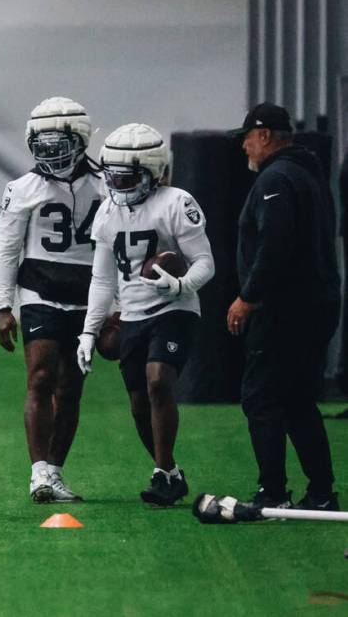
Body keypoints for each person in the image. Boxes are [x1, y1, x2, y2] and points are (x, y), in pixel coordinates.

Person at [76, 123, 215, 506]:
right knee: (138, 398)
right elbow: (102, 280)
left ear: (153, 173)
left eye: (127, 177)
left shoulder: (175, 202)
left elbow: (205, 263)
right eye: (113, 177)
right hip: (131, 313)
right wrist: (89, 332)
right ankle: (168, 473)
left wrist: (180, 285)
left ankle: (162, 469)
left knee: (157, 380)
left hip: (174, 308)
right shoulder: (107, 212)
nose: (118, 185)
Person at [227, 102, 340, 510]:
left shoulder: (277, 179)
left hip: (285, 309)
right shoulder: (308, 173)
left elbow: (275, 246)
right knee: (296, 399)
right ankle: (322, 492)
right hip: (317, 303)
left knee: (261, 397)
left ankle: (272, 491)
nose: (244, 148)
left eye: (247, 139)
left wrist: (248, 297)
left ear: (265, 135)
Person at [0, 97, 103, 502]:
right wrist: (3, 306)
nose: (50, 151)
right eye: (43, 143)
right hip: (40, 290)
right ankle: (38, 472)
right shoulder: (20, 189)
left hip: (90, 295)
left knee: (70, 387)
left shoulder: (106, 183)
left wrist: (121, 305)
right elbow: (7, 249)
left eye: (58, 143)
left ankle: (55, 471)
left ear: (81, 140)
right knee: (40, 376)